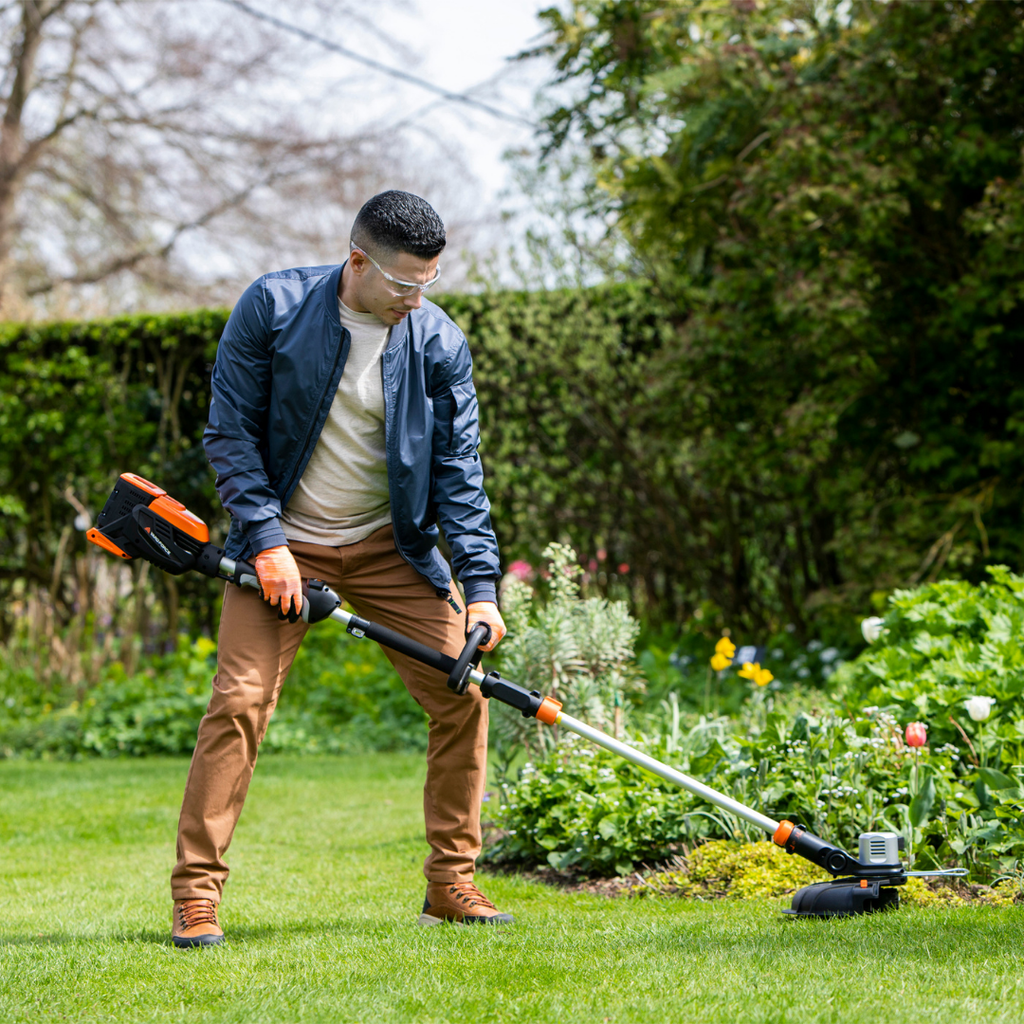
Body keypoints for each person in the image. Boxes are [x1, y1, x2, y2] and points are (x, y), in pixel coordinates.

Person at [170, 191, 510, 948]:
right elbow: (229, 434)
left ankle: (451, 884)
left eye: (428, 283)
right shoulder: (276, 307)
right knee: (240, 700)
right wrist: (264, 539)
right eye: (403, 285)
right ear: (358, 261)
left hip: (394, 549)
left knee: (466, 693)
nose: (416, 299)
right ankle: (196, 895)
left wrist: (481, 593)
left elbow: (460, 477)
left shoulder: (438, 342)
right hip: (282, 542)